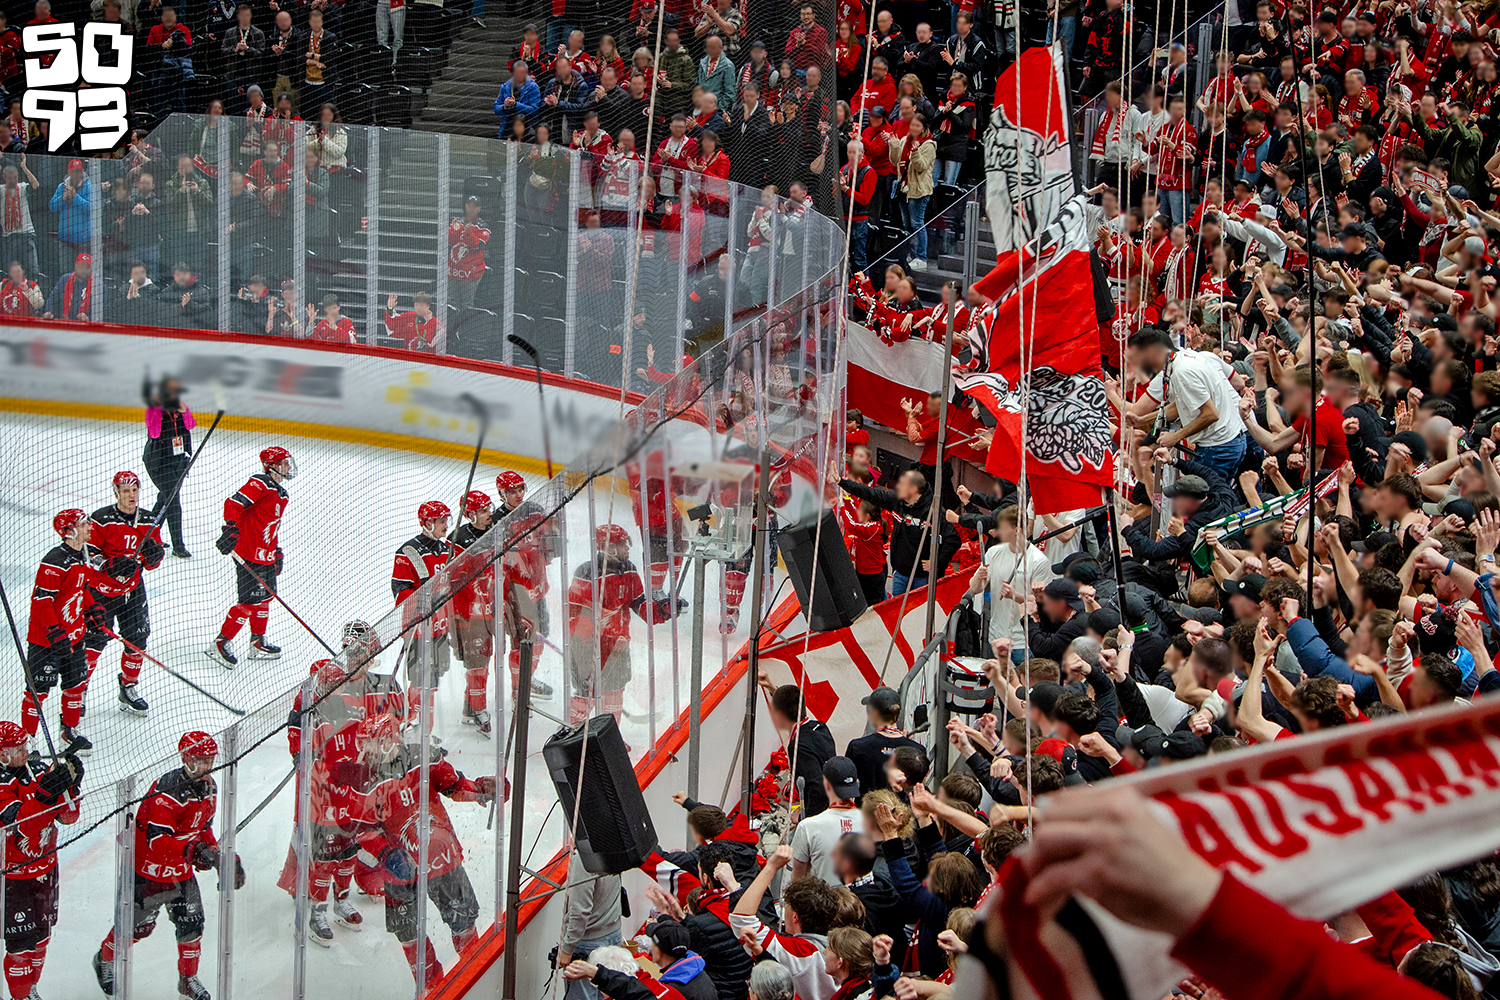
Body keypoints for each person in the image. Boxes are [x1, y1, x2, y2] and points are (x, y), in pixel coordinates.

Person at [91, 731, 242, 1000]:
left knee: (192, 925)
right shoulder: (167, 791)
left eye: (210, 760)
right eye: (201, 760)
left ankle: (188, 979)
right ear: (186, 758)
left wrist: (221, 858)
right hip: (147, 872)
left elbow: (203, 829)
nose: (207, 766)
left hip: (180, 871)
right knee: (134, 929)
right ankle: (104, 958)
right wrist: (192, 851)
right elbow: (157, 842)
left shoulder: (209, 788)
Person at [0, 720, 80, 1000]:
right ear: (2, 754)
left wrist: (72, 786)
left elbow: (69, 817)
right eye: (17, 747)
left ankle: (30, 990)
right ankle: (20, 996)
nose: (25, 750)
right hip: (13, 876)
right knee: (20, 945)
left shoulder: (38, 769)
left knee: (42, 938)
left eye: (25, 745)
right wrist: (46, 794)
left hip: (46, 867)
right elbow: (22, 826)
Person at [23, 510, 114, 752]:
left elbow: (81, 589)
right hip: (46, 641)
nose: (89, 527)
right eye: (83, 524)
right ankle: (27, 741)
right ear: (68, 531)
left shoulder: (84, 555)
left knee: (76, 686)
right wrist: (54, 632)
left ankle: (69, 732)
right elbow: (42, 601)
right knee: (37, 692)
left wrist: (93, 608)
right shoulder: (54, 561)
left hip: (75, 636)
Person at [83, 471, 164, 721]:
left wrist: (155, 556)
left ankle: (128, 687)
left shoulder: (148, 520)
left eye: (135, 490)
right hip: (101, 591)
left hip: (132, 591)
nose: (131, 495)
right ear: (116, 492)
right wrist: (109, 565)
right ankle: (79, 690)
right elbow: (87, 554)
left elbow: (152, 562)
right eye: (126, 490)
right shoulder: (101, 519)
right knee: (94, 642)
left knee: (137, 640)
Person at [209, 447, 296, 667]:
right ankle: (220, 643)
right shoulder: (260, 483)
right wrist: (230, 528)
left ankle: (257, 643)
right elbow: (233, 503)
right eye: (284, 463)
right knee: (248, 602)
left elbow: (270, 526)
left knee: (265, 598)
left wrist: (276, 551)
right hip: (248, 553)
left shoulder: (282, 494)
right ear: (272, 466)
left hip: (265, 555)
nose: (288, 466)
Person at [391, 501, 452, 737]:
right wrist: (424, 601)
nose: (446, 525)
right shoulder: (409, 552)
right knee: (420, 682)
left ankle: (424, 730)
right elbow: (401, 593)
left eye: (447, 520)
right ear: (427, 523)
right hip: (418, 630)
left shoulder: (448, 548)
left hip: (441, 626)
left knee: (432, 682)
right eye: (441, 521)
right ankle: (417, 730)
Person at [449, 491, 496, 736]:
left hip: (489, 607)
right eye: (484, 510)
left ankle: (471, 707)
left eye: (489, 508)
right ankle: (478, 709)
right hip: (469, 612)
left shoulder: (496, 529)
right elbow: (453, 581)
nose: (490, 514)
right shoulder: (457, 540)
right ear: (470, 515)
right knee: (478, 661)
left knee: (483, 659)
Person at [141, 373, 195, 559]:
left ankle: (148, 536)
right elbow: (154, 433)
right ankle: (178, 546)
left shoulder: (180, 406)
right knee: (172, 501)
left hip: (178, 461)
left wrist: (183, 410)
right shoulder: (154, 408)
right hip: (159, 462)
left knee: (165, 498)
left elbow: (191, 425)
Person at [559, 850, 623, 1000]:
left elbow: (579, 911)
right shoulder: (613, 848)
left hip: (588, 943)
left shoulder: (583, 860)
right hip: (613, 935)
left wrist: (567, 948)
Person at [791, 756, 863, 885]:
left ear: (826, 784)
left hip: (824, 897)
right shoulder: (871, 822)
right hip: (864, 896)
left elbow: (798, 882)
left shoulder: (808, 827)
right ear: (856, 782)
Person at [843, 686, 922, 794]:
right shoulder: (917, 750)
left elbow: (846, 784)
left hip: (867, 805)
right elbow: (919, 789)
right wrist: (906, 743)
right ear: (898, 712)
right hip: (903, 805)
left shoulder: (857, 747)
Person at [447, 196, 490, 311]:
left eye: (474, 206)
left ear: (479, 208)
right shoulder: (457, 222)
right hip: (454, 270)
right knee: (452, 303)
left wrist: (468, 232)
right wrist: (455, 231)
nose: (471, 209)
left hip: (471, 271)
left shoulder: (483, 226)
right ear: (465, 206)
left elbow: (477, 246)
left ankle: (466, 323)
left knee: (466, 305)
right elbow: (450, 242)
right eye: (469, 205)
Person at [43, 252, 103, 322]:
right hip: (65, 324)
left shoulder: (98, 285)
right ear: (75, 266)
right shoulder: (64, 279)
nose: (83, 270)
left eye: (86, 267)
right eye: (81, 266)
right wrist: (49, 311)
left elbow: (104, 311)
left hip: (88, 326)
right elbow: (53, 299)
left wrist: (89, 318)